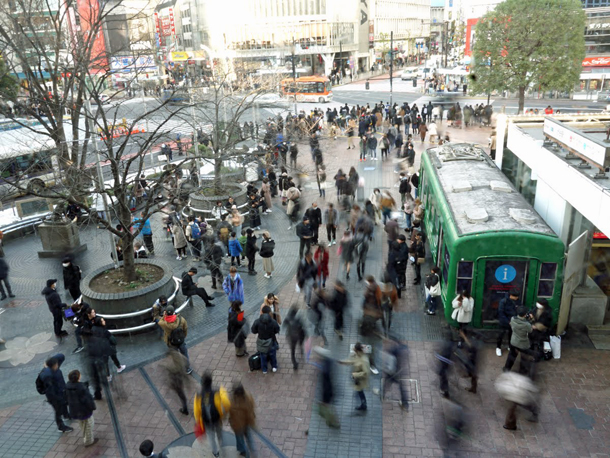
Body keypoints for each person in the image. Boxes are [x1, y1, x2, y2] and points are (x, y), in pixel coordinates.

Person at [194, 372, 231, 458]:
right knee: (219, 433)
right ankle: (222, 447)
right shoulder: (217, 392)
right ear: (211, 382)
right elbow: (227, 402)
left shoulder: (198, 396)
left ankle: (215, 453)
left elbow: (196, 412)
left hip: (206, 422)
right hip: (217, 419)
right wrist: (224, 413)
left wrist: (199, 421)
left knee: (211, 437)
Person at [39, 354, 73, 432]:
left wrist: (48, 362)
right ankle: (61, 427)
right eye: (56, 364)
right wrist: (58, 399)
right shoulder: (48, 375)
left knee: (64, 404)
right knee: (58, 411)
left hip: (61, 392)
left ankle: (66, 415)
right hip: (55, 397)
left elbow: (61, 356)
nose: (58, 364)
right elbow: (50, 391)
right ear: (54, 365)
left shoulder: (54, 369)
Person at [66, 369, 98, 447]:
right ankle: (88, 441)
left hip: (75, 411)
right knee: (89, 424)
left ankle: (85, 437)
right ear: (78, 377)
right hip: (84, 411)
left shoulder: (67, 387)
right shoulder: (82, 388)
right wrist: (92, 407)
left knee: (82, 424)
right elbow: (87, 400)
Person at [158, 306, 192, 375]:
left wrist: (164, 316)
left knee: (175, 356)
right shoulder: (181, 320)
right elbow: (185, 329)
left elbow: (159, 322)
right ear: (174, 312)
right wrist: (183, 337)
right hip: (181, 340)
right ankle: (187, 368)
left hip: (171, 342)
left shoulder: (164, 323)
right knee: (185, 354)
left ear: (166, 313)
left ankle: (179, 369)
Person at [340, 342, 370, 411]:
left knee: (360, 391)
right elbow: (352, 361)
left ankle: (363, 405)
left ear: (358, 350)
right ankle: (363, 403)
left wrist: (355, 375)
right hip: (357, 379)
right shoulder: (357, 355)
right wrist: (343, 362)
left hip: (361, 380)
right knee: (359, 391)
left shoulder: (364, 360)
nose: (354, 351)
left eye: (355, 350)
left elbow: (366, 373)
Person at [229, 383, 257, 457]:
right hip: (247, 423)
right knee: (249, 438)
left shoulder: (232, 401)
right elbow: (251, 409)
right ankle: (253, 452)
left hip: (237, 425)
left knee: (240, 439)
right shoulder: (248, 397)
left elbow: (229, 411)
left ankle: (243, 451)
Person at [382, 336, 409, 409]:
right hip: (401, 372)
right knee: (402, 387)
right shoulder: (404, 348)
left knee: (387, 383)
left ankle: (382, 395)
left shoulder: (394, 350)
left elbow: (388, 360)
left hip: (393, 371)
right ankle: (405, 404)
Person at [163, 349, 193, 415]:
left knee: (181, 394)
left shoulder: (171, 364)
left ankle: (185, 409)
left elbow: (170, 370)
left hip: (176, 381)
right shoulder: (180, 358)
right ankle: (184, 407)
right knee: (181, 394)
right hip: (180, 379)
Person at [251, 305, 280, 374]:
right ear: (269, 312)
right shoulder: (273, 321)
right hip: (271, 341)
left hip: (261, 341)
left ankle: (264, 369)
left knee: (263, 356)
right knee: (272, 354)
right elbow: (277, 329)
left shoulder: (257, 321)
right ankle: (274, 367)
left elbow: (253, 330)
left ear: (262, 312)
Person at [504, 307, 534, 372]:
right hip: (523, 344)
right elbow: (530, 330)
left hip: (513, 342)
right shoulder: (527, 324)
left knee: (511, 356)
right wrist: (531, 320)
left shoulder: (512, 319)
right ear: (525, 314)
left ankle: (506, 369)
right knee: (524, 358)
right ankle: (522, 371)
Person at [283, 305, 307, 370]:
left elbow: (284, 325)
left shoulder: (287, 318)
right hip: (298, 336)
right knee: (300, 343)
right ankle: (301, 348)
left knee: (292, 351)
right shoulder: (298, 319)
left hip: (291, 337)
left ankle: (295, 364)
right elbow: (302, 327)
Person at [497, 289, 520, 357]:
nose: (517, 298)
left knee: (511, 334)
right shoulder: (503, 301)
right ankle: (498, 347)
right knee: (501, 334)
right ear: (511, 296)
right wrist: (508, 321)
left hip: (513, 321)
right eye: (515, 296)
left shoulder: (517, 301)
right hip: (504, 321)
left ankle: (510, 346)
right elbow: (501, 312)